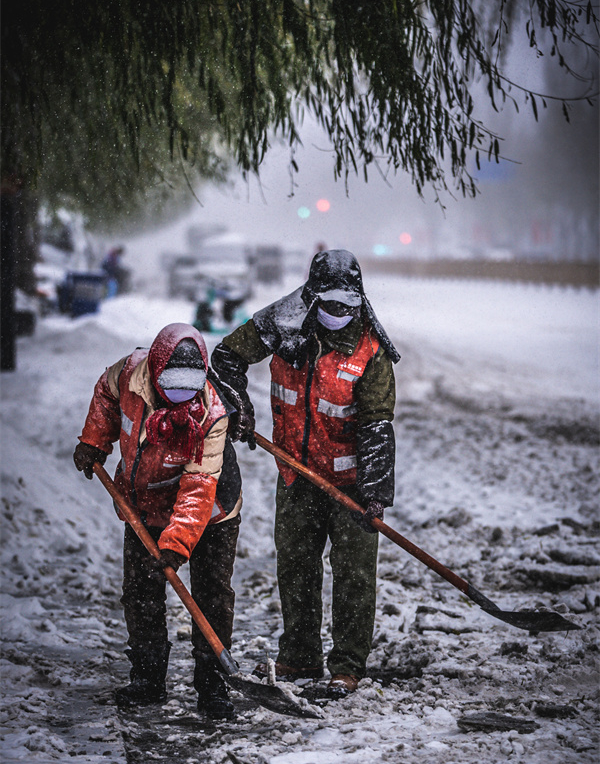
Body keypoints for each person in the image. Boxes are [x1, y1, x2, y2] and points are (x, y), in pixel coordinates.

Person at [211, 249, 399, 697]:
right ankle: (299, 655)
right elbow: (226, 358)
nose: (339, 313)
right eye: (330, 304)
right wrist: (239, 406)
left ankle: (348, 664)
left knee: (353, 573)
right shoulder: (284, 323)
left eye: (348, 306)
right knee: (296, 566)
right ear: (312, 296)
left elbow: (377, 426)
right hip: (295, 474)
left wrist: (374, 494)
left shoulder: (371, 352)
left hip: (351, 483)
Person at [73, 322, 242, 720]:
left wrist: (175, 544)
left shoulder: (212, 414)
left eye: (191, 384)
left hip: (210, 510)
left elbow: (199, 488)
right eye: (173, 383)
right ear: (155, 367)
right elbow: (105, 393)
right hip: (144, 504)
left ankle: (213, 686)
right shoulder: (129, 374)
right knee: (140, 592)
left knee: (212, 596)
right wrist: (94, 440)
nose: (182, 395)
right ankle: (147, 679)